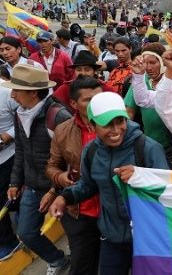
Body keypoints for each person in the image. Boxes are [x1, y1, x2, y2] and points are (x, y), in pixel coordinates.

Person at [48, 92, 169, 274]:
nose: (116, 130)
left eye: (120, 121)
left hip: (147, 240)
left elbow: (167, 191)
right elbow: (88, 185)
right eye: (107, 124)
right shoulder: (91, 151)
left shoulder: (148, 148)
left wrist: (141, 176)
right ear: (92, 125)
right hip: (111, 238)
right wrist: (64, 198)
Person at [4, 64, 72, 274]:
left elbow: (71, 162)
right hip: (33, 186)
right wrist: (15, 182)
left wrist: (54, 191)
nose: (12, 95)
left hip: (63, 190)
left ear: (33, 92)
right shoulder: (19, 114)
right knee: (26, 232)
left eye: (17, 90)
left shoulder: (59, 116)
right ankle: (58, 260)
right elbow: (21, 151)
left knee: (76, 234)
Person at [46, 76, 103, 274]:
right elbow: (52, 165)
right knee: (81, 266)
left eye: (99, 97)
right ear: (73, 103)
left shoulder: (119, 128)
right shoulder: (62, 131)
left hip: (113, 211)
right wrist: (59, 177)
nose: (95, 103)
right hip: (79, 213)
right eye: (88, 100)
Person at [126, 44, 172, 169]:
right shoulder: (141, 81)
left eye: (153, 63)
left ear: (162, 63)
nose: (148, 68)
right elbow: (140, 102)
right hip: (150, 143)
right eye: (145, 63)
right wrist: (138, 76)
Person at [0, 70, 18, 258]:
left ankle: (8, 242)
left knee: (12, 196)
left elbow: (25, 113)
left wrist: (7, 136)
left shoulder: (6, 91)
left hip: (9, 157)